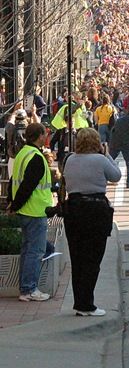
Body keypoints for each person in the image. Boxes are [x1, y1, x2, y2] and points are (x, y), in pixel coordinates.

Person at [62, 128, 121, 315]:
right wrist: (107, 155)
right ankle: (87, 304)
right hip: (95, 209)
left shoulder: (70, 159)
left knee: (77, 257)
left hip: (73, 209)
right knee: (93, 258)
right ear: (96, 142)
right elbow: (116, 176)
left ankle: (80, 301)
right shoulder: (100, 160)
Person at [8, 123, 55, 302]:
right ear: (39, 136)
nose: (46, 136)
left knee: (28, 250)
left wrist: (12, 203)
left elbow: (14, 180)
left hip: (26, 210)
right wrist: (15, 204)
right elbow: (27, 185)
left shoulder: (23, 153)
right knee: (35, 252)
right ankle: (29, 289)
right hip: (35, 210)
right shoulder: (35, 157)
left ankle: (26, 288)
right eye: (45, 133)